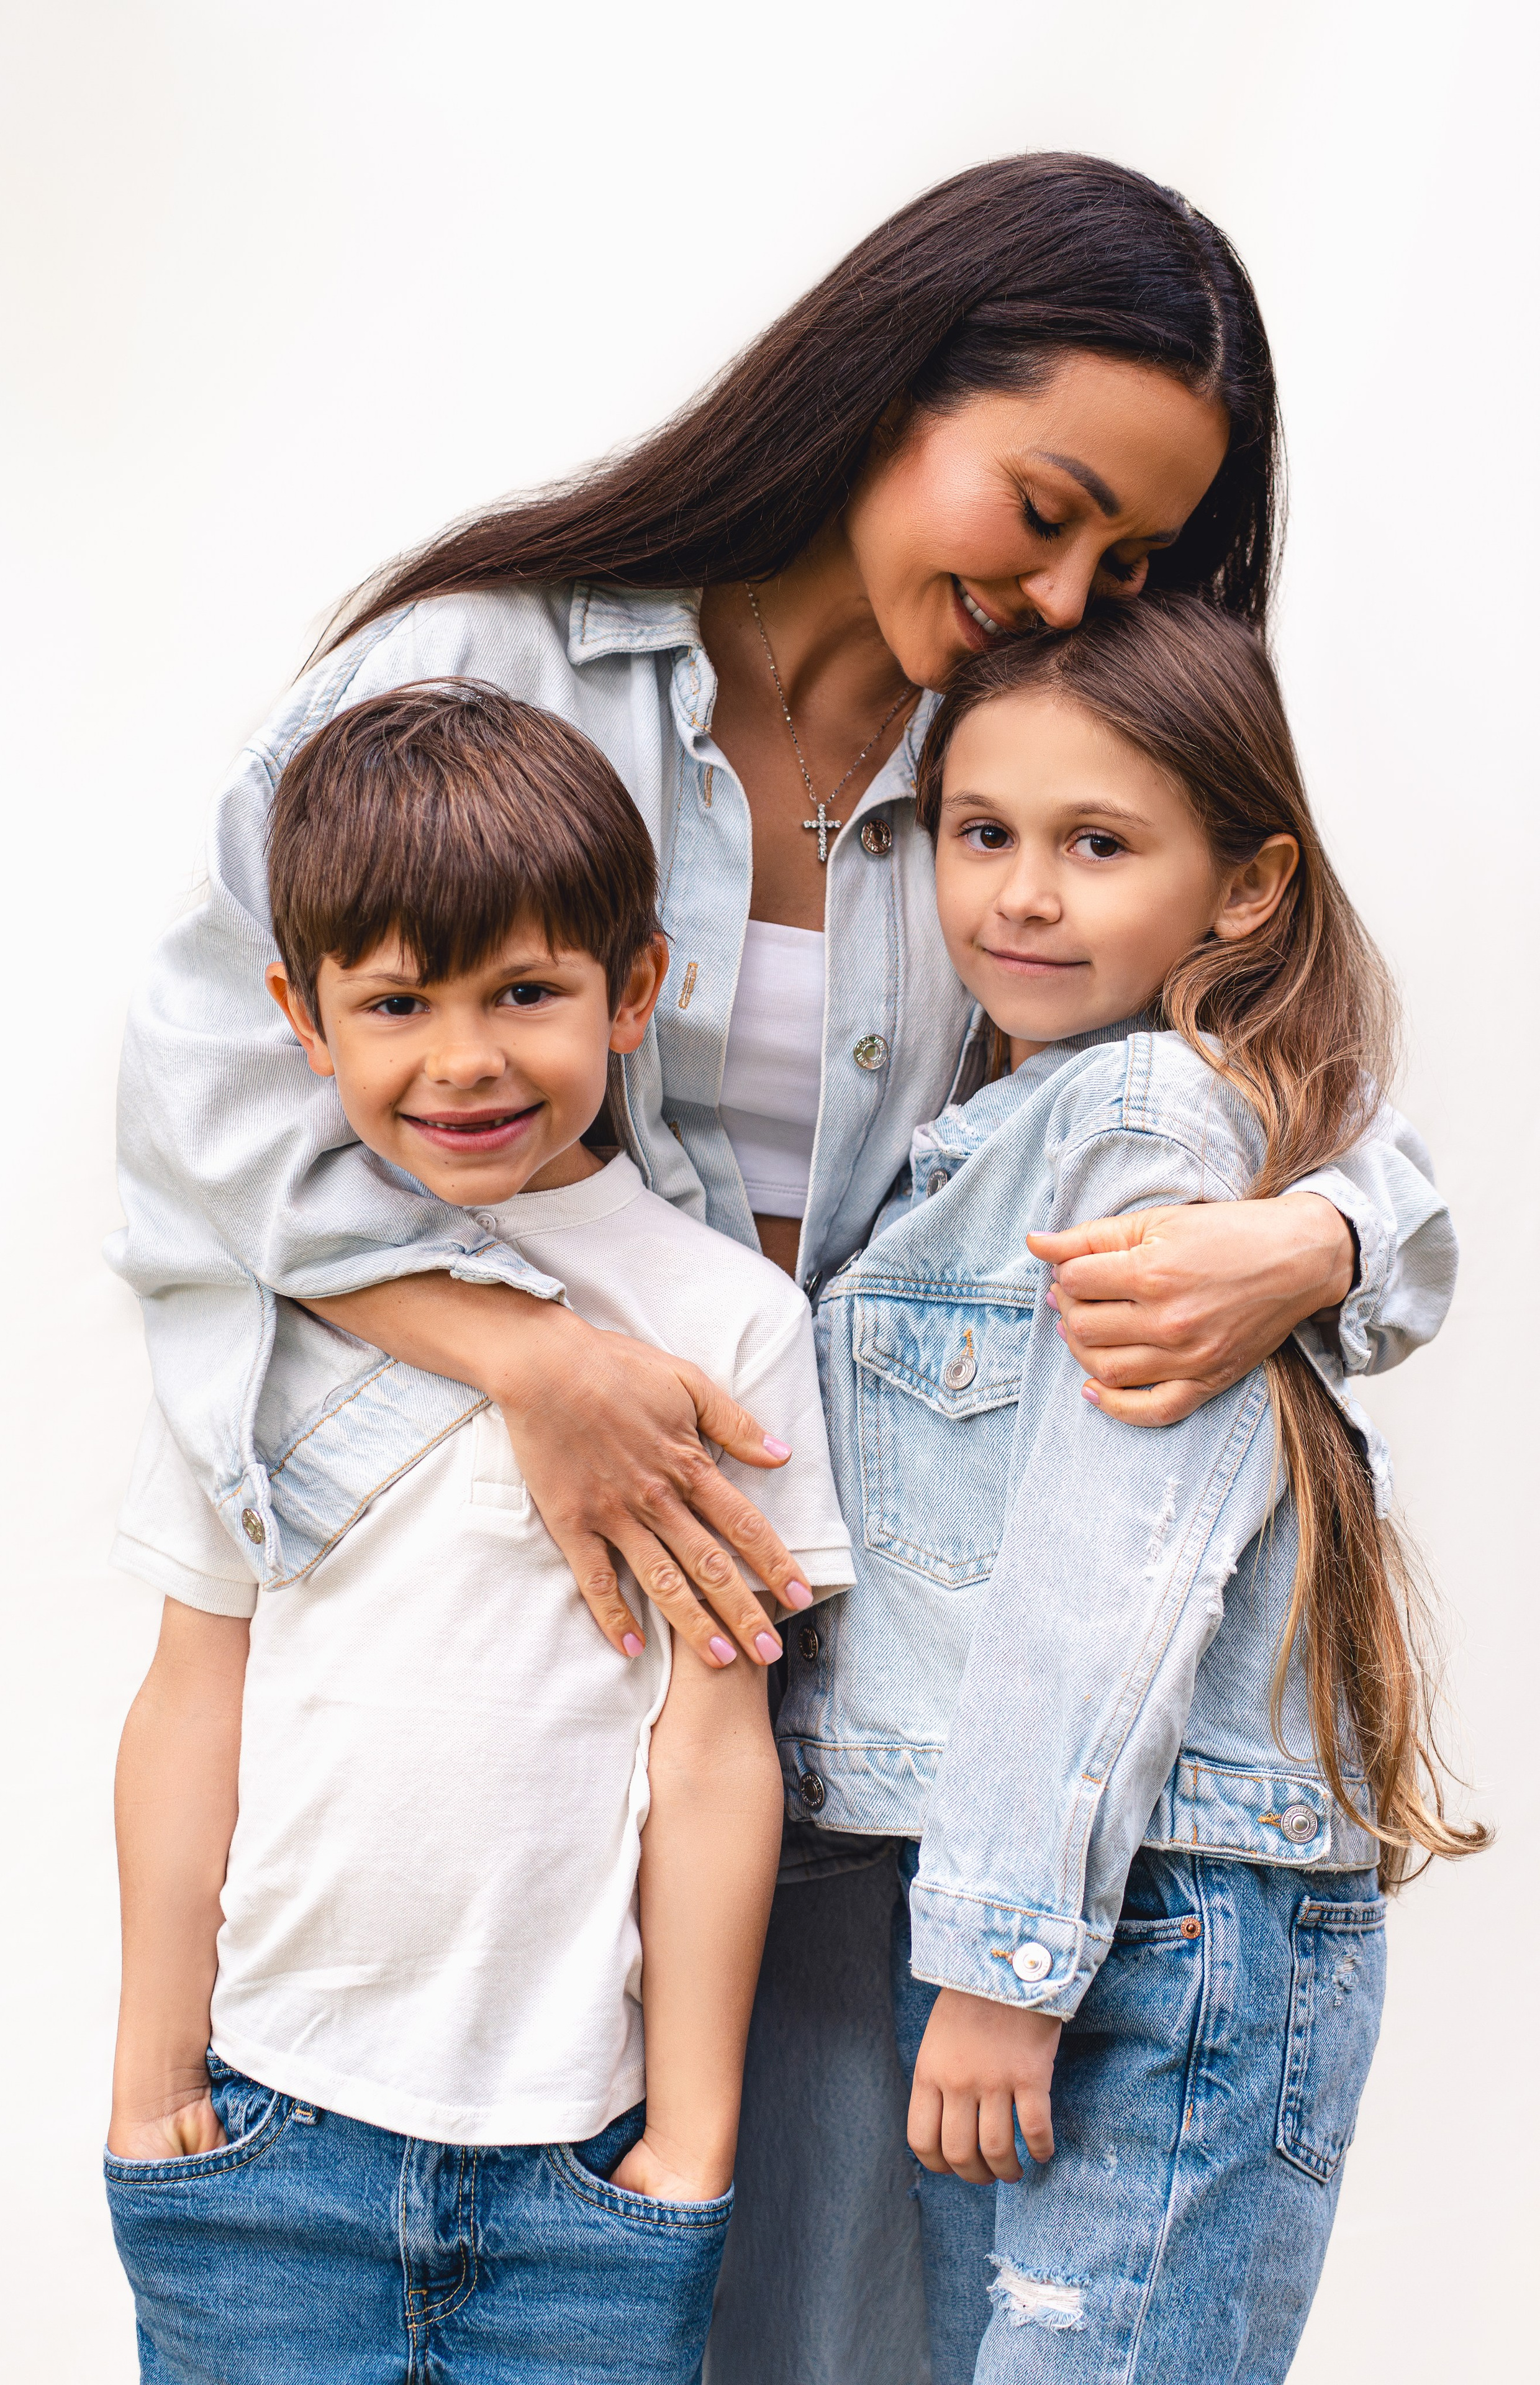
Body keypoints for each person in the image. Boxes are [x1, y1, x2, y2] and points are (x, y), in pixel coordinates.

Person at [109, 157, 1455, 2376]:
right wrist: (529, 1366)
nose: (1066, 591)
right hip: (535, 1692)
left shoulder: (1026, 767)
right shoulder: (487, 667)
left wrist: (1320, 1231)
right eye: (1043, 509)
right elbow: (200, 1109)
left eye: (1127, 560)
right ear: (887, 385)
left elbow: (1256, 1040)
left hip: (864, 1709)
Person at [104, 684, 855, 2383]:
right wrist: (156, 2084)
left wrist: (691, 2145)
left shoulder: (725, 1326)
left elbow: (717, 1751)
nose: (464, 1059)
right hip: (262, 2136)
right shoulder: (268, 1307)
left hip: (586, 2172)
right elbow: (189, 1697)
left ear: (635, 989)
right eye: (397, 1002)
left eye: (526, 992)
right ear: (302, 1015)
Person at [781, 594, 1480, 2383]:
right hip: (1074, 1903)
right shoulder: (1011, 1116)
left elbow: (1101, 1587)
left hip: (1138, 1929)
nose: (1021, 894)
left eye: (1097, 845)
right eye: (981, 833)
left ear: (1245, 889)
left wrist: (1005, 1970)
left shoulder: (1144, 1125)